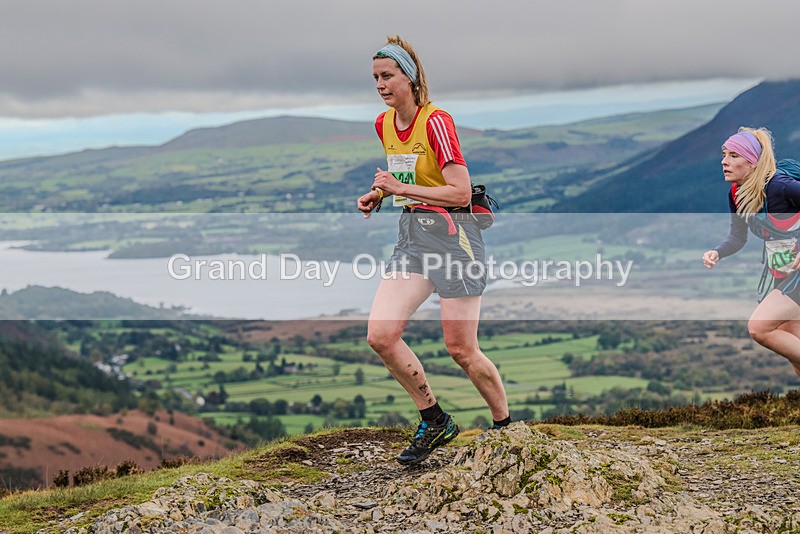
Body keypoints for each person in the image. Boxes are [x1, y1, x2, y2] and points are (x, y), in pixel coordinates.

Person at [357, 35, 510, 465]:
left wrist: (399, 187)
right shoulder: (383, 124)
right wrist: (379, 195)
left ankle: (504, 427)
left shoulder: (436, 121)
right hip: (413, 238)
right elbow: (406, 174)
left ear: (410, 77)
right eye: (375, 78)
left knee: (461, 350)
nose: (381, 85)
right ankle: (434, 419)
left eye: (388, 76)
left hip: (456, 239)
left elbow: (460, 191)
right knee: (381, 335)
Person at [703, 127, 800, 377]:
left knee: (760, 327)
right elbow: (737, 237)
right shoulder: (737, 193)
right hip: (784, 274)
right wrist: (717, 252)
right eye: (724, 154)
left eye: (734, 155)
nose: (725, 161)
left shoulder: (780, 187)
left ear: (753, 161)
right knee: (794, 350)